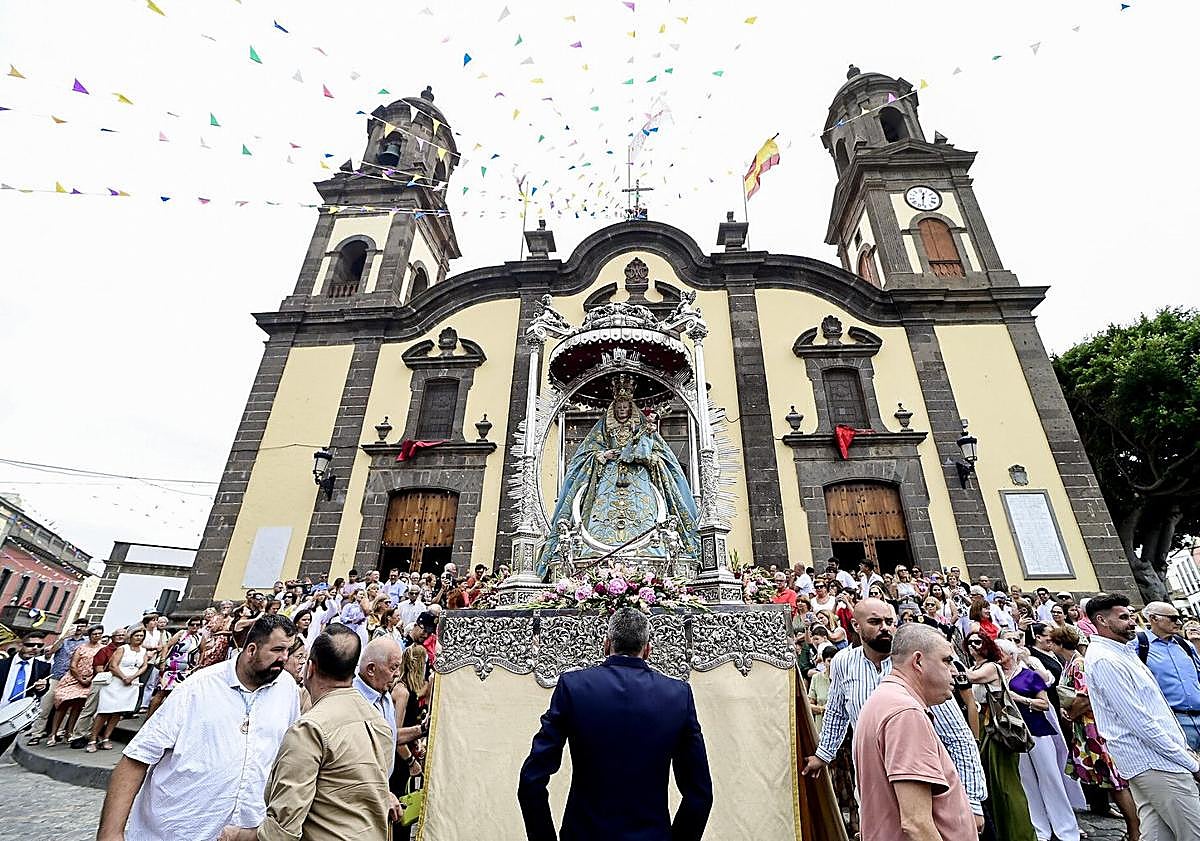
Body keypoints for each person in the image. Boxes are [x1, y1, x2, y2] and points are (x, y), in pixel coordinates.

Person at [95, 615, 300, 841]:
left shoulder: (287, 688)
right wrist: (111, 834)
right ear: (251, 650)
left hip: (246, 831)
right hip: (178, 831)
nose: (285, 658)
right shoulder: (198, 687)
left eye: (288, 651)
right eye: (278, 650)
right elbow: (136, 759)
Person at [518, 608, 712, 841]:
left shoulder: (574, 687)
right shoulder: (677, 695)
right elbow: (699, 794)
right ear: (648, 649)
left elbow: (531, 780)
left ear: (606, 644)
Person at [802, 599, 987, 830]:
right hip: (874, 779)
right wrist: (823, 755)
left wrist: (972, 801)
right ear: (856, 626)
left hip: (925, 777)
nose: (885, 628)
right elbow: (837, 712)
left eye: (890, 622)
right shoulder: (843, 662)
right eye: (875, 622)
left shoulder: (914, 663)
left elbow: (957, 736)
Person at [219, 626, 398, 841]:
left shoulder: (310, 729)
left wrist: (238, 835)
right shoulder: (378, 722)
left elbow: (282, 831)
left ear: (309, 669)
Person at [538, 375, 700, 575]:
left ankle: (652, 552)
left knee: (647, 513)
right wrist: (602, 455)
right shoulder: (603, 430)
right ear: (613, 410)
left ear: (632, 409)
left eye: (626, 407)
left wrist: (644, 451)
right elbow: (586, 453)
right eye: (619, 407)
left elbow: (659, 455)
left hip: (638, 478)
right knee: (599, 515)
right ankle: (593, 553)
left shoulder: (643, 430)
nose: (622, 410)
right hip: (609, 478)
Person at [1083, 593, 1200, 841]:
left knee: (1158, 835)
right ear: (1102, 621)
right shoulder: (1105, 659)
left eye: (1131, 616)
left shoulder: (1121, 651)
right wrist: (1188, 761)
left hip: (1152, 759)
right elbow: (1139, 721)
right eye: (1124, 617)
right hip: (1155, 762)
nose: (1133, 622)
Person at [854, 624, 978, 841]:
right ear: (918, 661)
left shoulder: (887, 700)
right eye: (947, 661)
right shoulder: (905, 712)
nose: (955, 671)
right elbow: (916, 823)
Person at [1048, 625, 1140, 841]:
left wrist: (1070, 714)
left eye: (1053, 642)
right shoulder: (1071, 663)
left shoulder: (1078, 663)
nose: (1050, 645)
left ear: (1060, 643)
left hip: (1093, 727)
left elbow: (1085, 696)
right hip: (1087, 726)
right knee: (1110, 779)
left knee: (1114, 780)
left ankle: (1135, 828)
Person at [962, 631, 1038, 841]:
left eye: (978, 642)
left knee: (1006, 786)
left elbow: (967, 678)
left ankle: (1020, 835)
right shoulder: (976, 667)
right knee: (990, 785)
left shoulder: (990, 667)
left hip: (998, 729)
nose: (973, 646)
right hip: (984, 727)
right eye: (969, 643)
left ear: (987, 645)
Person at [1136, 601, 1200, 751]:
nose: (1178, 622)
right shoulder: (1139, 645)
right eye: (1172, 618)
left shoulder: (1184, 645)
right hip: (1174, 719)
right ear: (1153, 619)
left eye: (1179, 618)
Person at [89, 627, 150, 752]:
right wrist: (124, 677)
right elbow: (113, 665)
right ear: (131, 636)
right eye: (136, 635)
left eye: (141, 636)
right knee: (105, 711)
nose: (139, 638)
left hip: (131, 683)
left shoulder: (143, 651)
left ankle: (106, 737)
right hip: (116, 682)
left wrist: (133, 677)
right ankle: (93, 739)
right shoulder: (122, 648)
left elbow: (144, 666)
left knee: (118, 712)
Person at [30, 618, 87, 743]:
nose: (79, 628)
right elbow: (50, 652)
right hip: (56, 676)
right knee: (45, 706)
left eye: (82, 626)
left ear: (86, 628)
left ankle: (59, 732)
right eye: (77, 625)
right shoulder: (64, 640)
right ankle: (37, 733)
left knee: (66, 707)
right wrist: (63, 637)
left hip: (72, 679)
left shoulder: (86, 642)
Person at [48, 623, 105, 746]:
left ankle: (69, 732)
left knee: (78, 706)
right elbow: (73, 665)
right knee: (62, 703)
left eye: (99, 634)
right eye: (94, 634)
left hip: (90, 679)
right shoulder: (81, 647)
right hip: (74, 678)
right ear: (89, 635)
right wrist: (80, 678)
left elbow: (102, 666)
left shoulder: (102, 649)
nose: (97, 636)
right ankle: (53, 734)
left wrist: (90, 679)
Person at [0, 630, 52, 756]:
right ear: (20, 645)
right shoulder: (2, 664)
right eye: (30, 645)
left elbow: (42, 690)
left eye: (39, 646)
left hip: (14, 717)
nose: (35, 648)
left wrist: (42, 688)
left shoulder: (43, 667)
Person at [146, 615, 203, 718]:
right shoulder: (182, 633)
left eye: (197, 625)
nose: (195, 627)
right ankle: (148, 719)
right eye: (192, 624)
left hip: (185, 671)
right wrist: (163, 661)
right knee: (160, 693)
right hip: (171, 667)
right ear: (188, 625)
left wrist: (199, 664)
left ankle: (163, 720)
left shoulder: (200, 637)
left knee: (175, 696)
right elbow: (166, 646)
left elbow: (202, 651)